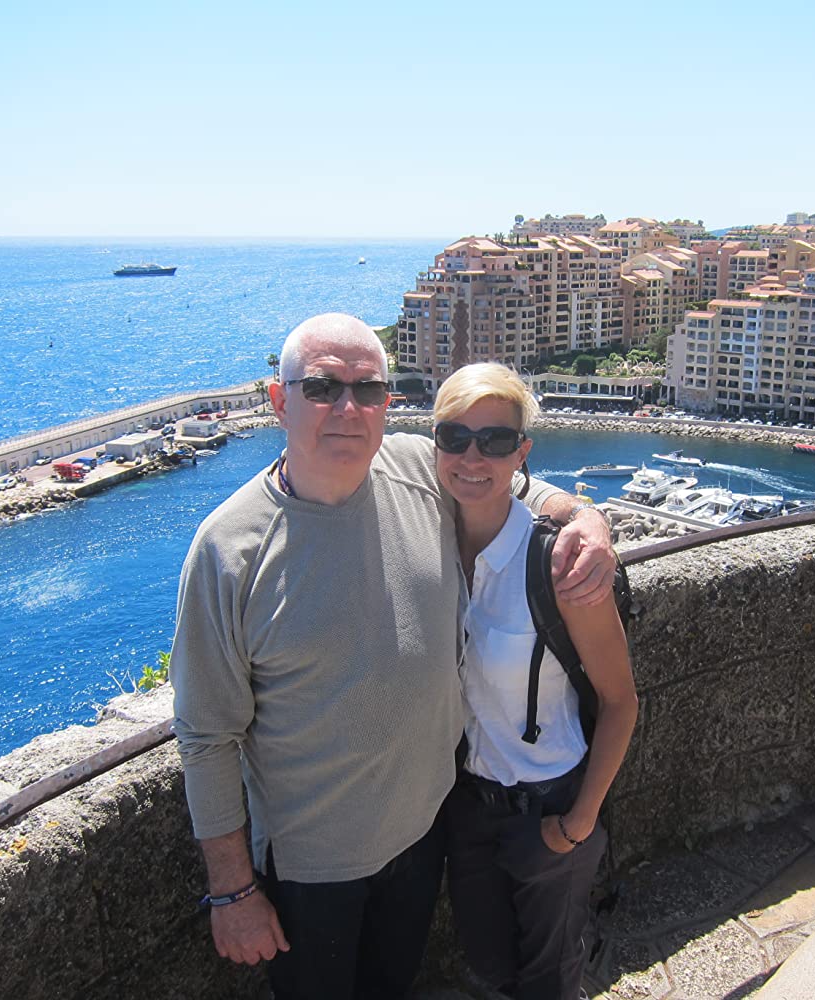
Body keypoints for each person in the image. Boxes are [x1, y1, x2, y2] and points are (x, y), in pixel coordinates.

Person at [169, 314, 615, 1000]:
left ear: (387, 403)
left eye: (368, 390)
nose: (348, 408)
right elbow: (206, 736)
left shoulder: (414, 466)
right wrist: (232, 891)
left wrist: (586, 518)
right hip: (312, 867)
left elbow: (501, 477)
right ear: (279, 401)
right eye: (323, 388)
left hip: (425, 834)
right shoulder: (229, 549)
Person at [433, 364, 638, 1000]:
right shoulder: (431, 544)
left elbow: (620, 702)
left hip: (547, 806)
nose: (473, 457)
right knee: (488, 962)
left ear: (521, 452)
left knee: (549, 977)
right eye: (455, 437)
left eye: (494, 441)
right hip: (469, 807)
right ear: (435, 444)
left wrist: (576, 825)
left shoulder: (557, 564)